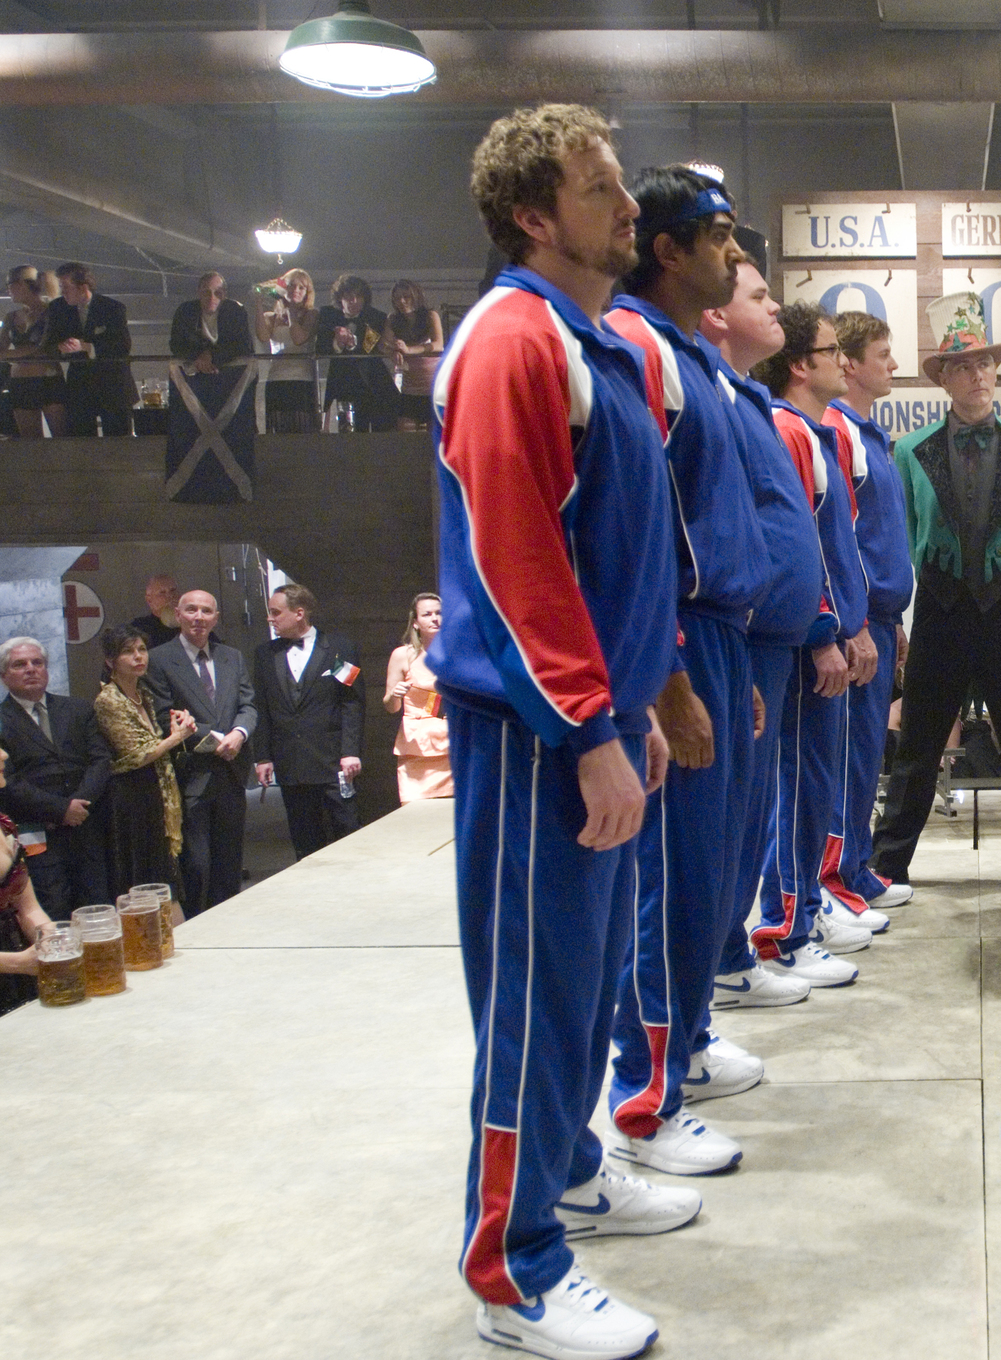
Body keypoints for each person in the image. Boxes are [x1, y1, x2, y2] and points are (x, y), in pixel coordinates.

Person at [435, 103, 697, 1360]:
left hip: (593, 720)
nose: (625, 208)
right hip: (535, 734)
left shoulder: (582, 338)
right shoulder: (509, 338)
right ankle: (514, 1268)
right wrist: (588, 718)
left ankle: (573, 1173)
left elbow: (621, 557)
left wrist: (637, 702)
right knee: (536, 1003)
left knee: (583, 991)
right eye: (599, 189)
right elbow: (513, 554)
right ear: (533, 214)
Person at [601, 165, 780, 1180]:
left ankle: (685, 1047)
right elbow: (639, 527)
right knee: (666, 886)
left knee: (708, 872)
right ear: (668, 250)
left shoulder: (685, 357)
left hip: (720, 633)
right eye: (718, 237)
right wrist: (667, 673)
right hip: (679, 635)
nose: (732, 255)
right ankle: (643, 1098)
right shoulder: (637, 346)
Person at [869, 293, 1001, 895]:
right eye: (963, 366)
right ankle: (887, 867)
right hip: (938, 605)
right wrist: (904, 619)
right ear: (945, 379)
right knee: (918, 745)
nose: (978, 375)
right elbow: (904, 537)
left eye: (985, 364)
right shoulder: (909, 452)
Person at [700, 250, 853, 996]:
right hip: (743, 633)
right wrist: (824, 623)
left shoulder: (750, 404)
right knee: (739, 810)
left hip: (768, 633)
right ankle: (752, 942)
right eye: (758, 295)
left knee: (757, 800)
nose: (770, 305)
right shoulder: (741, 405)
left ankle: (740, 948)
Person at [753, 301, 880, 966]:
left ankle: (804, 909)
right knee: (799, 785)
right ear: (802, 365)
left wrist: (850, 622)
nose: (844, 363)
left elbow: (836, 543)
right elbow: (802, 546)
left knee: (818, 782)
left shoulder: (812, 431)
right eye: (833, 352)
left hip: (828, 627)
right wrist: (827, 628)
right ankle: (786, 925)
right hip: (806, 639)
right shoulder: (789, 430)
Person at [822, 309, 918, 916]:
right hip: (857, 622)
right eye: (884, 354)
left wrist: (892, 624)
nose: (894, 365)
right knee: (842, 758)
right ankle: (833, 878)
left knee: (863, 755)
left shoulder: (870, 433)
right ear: (850, 363)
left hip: (880, 618)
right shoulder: (837, 431)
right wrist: (851, 622)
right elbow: (841, 539)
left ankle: (856, 865)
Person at [144, 589, 254, 916]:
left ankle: (226, 927)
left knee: (228, 863)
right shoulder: (159, 659)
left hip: (232, 775)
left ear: (216, 618)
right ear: (177, 615)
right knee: (196, 864)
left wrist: (239, 733)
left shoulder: (231, 656)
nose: (198, 617)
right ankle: (196, 928)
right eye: (191, 610)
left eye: (206, 611)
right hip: (192, 777)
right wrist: (219, 738)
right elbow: (165, 714)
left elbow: (248, 705)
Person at [251, 584, 364, 861]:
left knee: (346, 828)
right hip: (292, 762)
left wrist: (350, 751)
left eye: (276, 612)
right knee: (303, 837)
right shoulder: (265, 654)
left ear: (299, 613)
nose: (270, 618)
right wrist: (263, 756)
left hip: (332, 760)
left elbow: (352, 703)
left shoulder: (338, 649)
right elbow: (262, 708)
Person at [0, 636, 110, 917]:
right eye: (20, 664)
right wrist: (62, 810)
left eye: (37, 663)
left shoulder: (77, 709)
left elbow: (100, 760)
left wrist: (79, 804)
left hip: (86, 827)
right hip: (36, 832)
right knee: (54, 911)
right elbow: (8, 783)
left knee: (97, 907)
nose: (31, 669)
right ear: (3, 676)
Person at [94, 626, 192, 904]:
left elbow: (153, 743)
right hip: (132, 797)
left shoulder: (143, 694)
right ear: (111, 662)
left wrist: (174, 729)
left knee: (166, 874)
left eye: (142, 650)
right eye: (128, 652)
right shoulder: (108, 700)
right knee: (146, 876)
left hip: (156, 791)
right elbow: (137, 754)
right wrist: (176, 738)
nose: (138, 657)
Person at [0, 744, 62, 1018]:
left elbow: (28, 908)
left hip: (17, 977)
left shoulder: (4, 825)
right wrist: (16, 963)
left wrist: (52, 939)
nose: (4, 754)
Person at [46, 262, 135, 437]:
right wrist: (61, 348)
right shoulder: (57, 308)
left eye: (65, 287)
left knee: (119, 442)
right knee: (82, 441)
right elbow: (49, 342)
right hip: (80, 386)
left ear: (83, 287)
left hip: (113, 384)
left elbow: (122, 345)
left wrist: (87, 347)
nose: (62, 292)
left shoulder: (112, 308)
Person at [384, 592, 453, 802]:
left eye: (440, 613)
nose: (435, 618)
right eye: (427, 614)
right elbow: (390, 706)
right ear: (415, 622)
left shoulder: (457, 654)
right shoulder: (402, 655)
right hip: (417, 747)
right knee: (415, 817)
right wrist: (395, 695)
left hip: (452, 743)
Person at [316, 274, 394, 431]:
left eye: (358, 297)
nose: (354, 301)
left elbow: (368, 348)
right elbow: (320, 348)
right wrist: (337, 342)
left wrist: (352, 344)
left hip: (372, 384)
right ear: (340, 298)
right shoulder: (327, 315)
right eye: (348, 297)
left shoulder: (376, 317)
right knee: (348, 434)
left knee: (381, 433)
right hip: (343, 384)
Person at [3, 265, 65, 437]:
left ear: (23, 285)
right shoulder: (11, 317)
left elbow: (42, 348)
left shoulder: (50, 312)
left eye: (11, 284)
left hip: (47, 379)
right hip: (20, 382)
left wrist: (11, 354)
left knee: (62, 438)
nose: (8, 289)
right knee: (30, 442)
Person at [255, 268, 320, 433]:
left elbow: (298, 338)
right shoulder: (272, 316)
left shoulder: (311, 315)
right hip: (276, 378)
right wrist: (258, 305)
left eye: (301, 288)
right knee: (278, 430)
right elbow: (262, 336)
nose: (295, 291)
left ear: (307, 292)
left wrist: (291, 310)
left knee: (302, 429)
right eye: (292, 286)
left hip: (301, 379)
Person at [169, 272, 254, 375]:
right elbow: (176, 344)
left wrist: (212, 355)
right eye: (206, 292)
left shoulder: (235, 310)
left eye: (217, 293)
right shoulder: (186, 311)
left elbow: (242, 344)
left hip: (233, 373)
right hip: (195, 373)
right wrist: (200, 356)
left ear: (224, 294)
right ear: (199, 292)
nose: (212, 298)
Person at [389, 279, 444, 431]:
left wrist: (409, 350)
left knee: (434, 439)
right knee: (406, 437)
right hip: (409, 389)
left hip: (432, 388)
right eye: (398, 297)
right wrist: (393, 351)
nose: (402, 301)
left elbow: (438, 344)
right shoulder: (393, 319)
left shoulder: (430, 316)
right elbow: (383, 344)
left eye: (407, 296)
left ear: (416, 297)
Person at [128, 574, 182, 651]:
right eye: (162, 593)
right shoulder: (139, 629)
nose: (170, 596)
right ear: (149, 600)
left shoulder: (190, 623)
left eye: (173, 590)